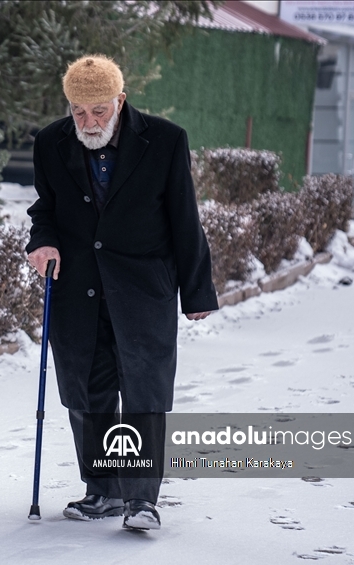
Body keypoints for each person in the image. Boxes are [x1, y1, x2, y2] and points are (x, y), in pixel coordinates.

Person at [25, 54, 217, 530]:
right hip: (76, 290)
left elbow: (183, 217)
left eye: (99, 111)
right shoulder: (51, 143)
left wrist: (196, 292)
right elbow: (44, 207)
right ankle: (103, 490)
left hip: (143, 291)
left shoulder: (165, 141)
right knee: (86, 393)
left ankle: (140, 500)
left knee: (143, 394)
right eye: (78, 112)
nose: (88, 122)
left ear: (120, 100)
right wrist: (43, 241)